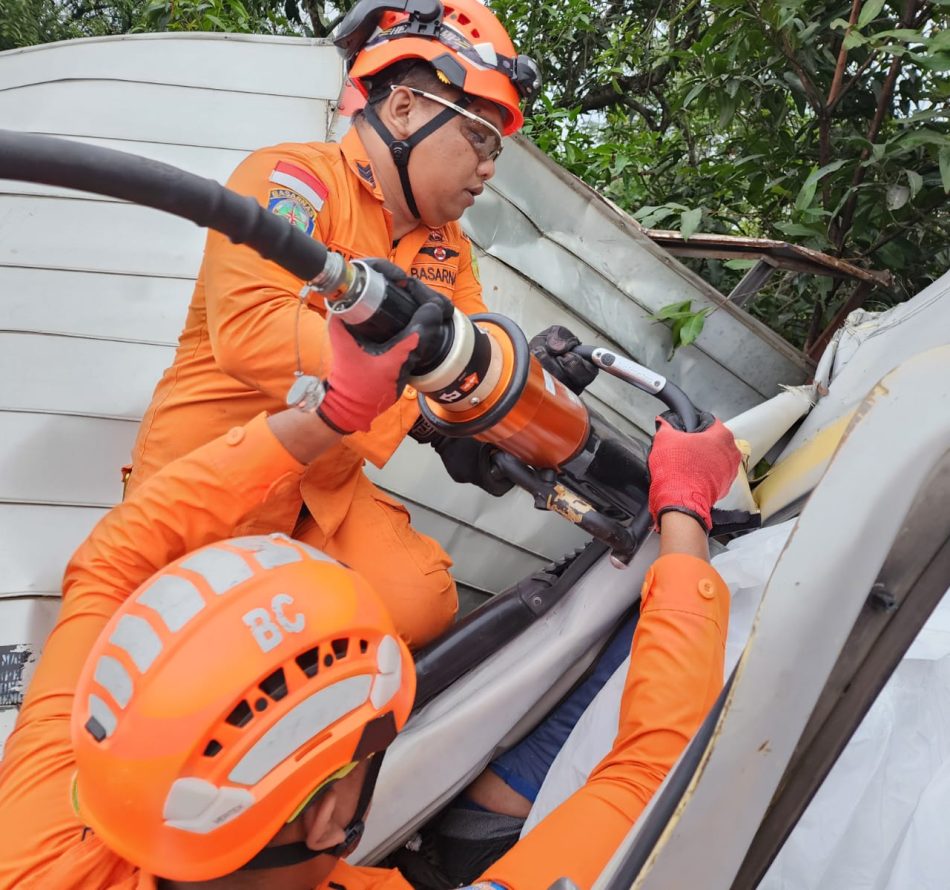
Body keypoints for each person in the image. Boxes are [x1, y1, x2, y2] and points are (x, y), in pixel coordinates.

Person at [0, 289, 740, 889]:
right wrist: (685, 507)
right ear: (327, 821)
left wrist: (333, 413)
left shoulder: (40, 823)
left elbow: (116, 558)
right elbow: (652, 775)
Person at [122, 0, 593, 649]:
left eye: (497, 150)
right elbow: (252, 329)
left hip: (320, 488)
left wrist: (522, 398)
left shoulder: (446, 245)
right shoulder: (291, 182)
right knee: (184, 648)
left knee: (420, 604)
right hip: (210, 468)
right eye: (478, 137)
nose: (489, 167)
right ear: (403, 109)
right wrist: (413, 386)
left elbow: (473, 347)